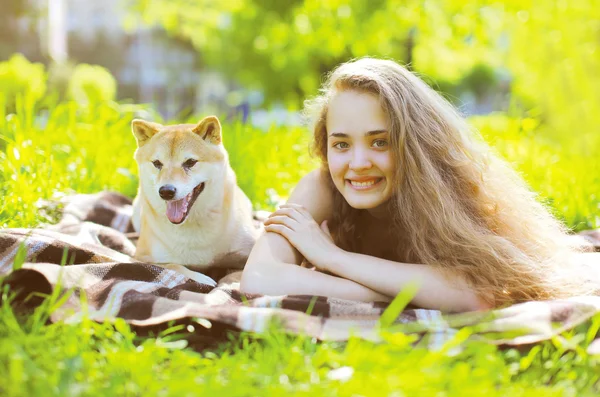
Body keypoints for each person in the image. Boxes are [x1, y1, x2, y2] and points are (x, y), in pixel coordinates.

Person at [240, 57, 598, 312]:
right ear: (325, 146)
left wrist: (333, 258)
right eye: (342, 144)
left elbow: (479, 294)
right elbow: (258, 278)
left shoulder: (446, 193)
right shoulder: (321, 188)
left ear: (414, 147)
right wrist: (401, 291)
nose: (358, 162)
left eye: (380, 141)